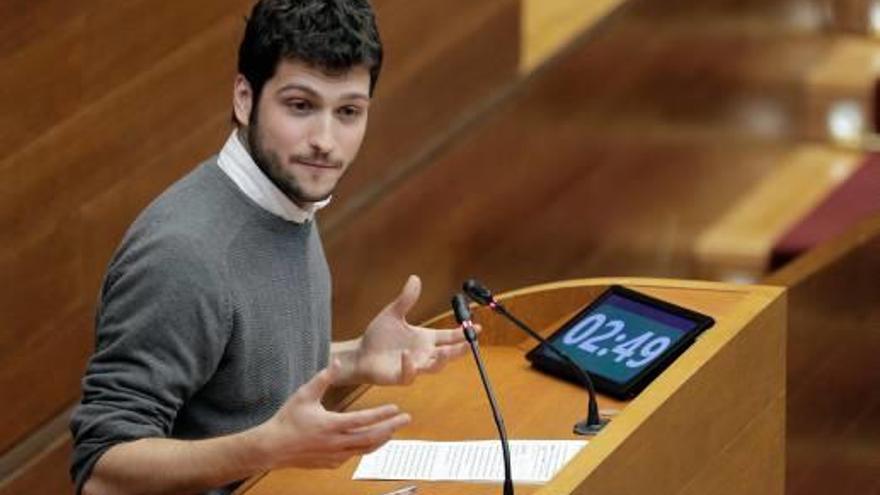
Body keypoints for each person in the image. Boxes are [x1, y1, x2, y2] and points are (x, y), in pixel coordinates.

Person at [69, 1, 471, 493]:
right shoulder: (184, 255)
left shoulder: (287, 198)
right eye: (300, 106)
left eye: (348, 112)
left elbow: (232, 380)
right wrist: (268, 447)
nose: (325, 140)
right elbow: (102, 470)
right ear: (245, 98)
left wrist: (353, 359)